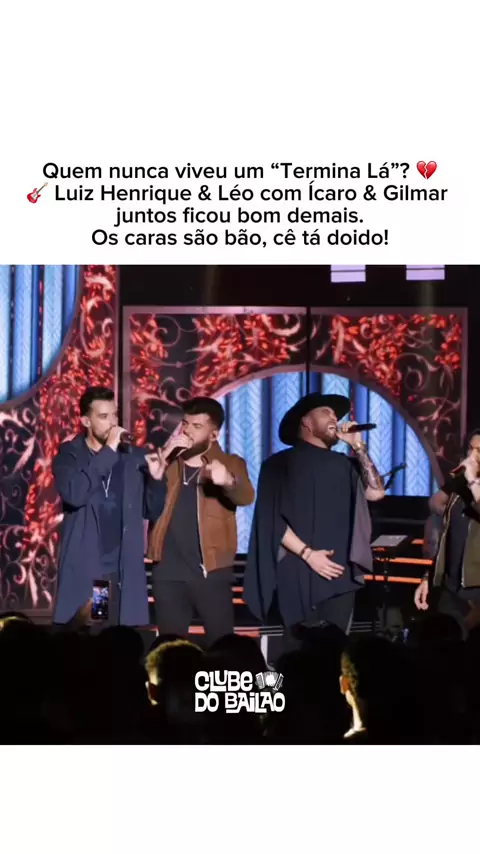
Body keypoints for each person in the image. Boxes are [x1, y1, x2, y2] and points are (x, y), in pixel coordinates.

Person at [244, 393, 385, 638]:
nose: (334, 418)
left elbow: (376, 493)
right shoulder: (278, 464)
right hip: (297, 568)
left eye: (335, 415)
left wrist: (358, 447)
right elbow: (270, 519)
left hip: (340, 572)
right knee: (299, 648)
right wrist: (308, 555)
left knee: (334, 646)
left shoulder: (345, 464)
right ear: (306, 422)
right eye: (326, 412)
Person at [52, 386, 166, 627]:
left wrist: (156, 481)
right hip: (94, 569)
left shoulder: (132, 457)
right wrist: (108, 451)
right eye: (103, 417)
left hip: (124, 568)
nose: (113, 423)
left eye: (114, 415)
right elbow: (75, 494)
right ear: (86, 421)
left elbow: (152, 511)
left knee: (123, 638)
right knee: (98, 630)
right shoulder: (70, 456)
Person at [147, 397, 255, 645]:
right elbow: (149, 510)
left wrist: (227, 480)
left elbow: (245, 496)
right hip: (168, 573)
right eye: (185, 424)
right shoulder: (167, 464)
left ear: (213, 434)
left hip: (211, 572)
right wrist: (156, 476)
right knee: (170, 648)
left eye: (197, 426)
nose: (187, 431)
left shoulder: (229, 463)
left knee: (222, 645)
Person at [414, 428, 480, 634]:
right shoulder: (460, 488)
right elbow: (448, 535)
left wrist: (472, 480)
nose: (472, 456)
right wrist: (429, 577)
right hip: (451, 588)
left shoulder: (471, 484)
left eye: (479, 451)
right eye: (470, 449)